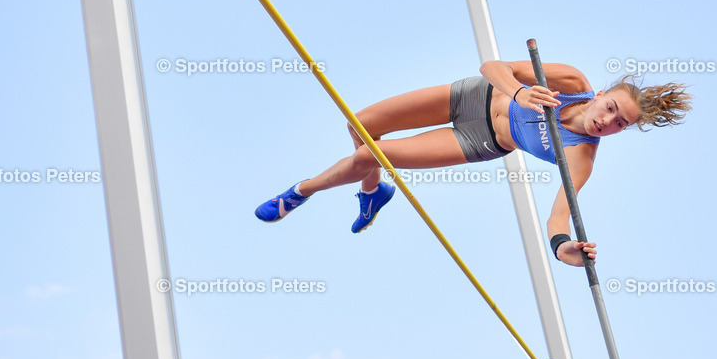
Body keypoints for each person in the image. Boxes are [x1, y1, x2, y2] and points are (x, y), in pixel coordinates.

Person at [255, 60, 691, 265]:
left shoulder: (580, 155)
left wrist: (564, 249)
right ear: (601, 95)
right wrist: (520, 91)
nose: (608, 121)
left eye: (620, 124)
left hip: (478, 140)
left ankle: (301, 192)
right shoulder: (571, 81)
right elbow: (493, 66)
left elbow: (559, 216)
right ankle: (374, 191)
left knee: (371, 154)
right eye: (611, 108)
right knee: (361, 123)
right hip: (473, 96)